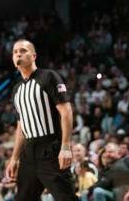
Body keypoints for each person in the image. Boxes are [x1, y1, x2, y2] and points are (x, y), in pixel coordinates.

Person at [5, 39, 78, 200]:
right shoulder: (16, 90)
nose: (18, 54)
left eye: (23, 50)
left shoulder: (49, 77)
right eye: (15, 52)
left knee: (66, 198)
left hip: (51, 149)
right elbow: (21, 126)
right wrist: (14, 158)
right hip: (28, 153)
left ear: (34, 55)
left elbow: (66, 111)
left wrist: (66, 146)